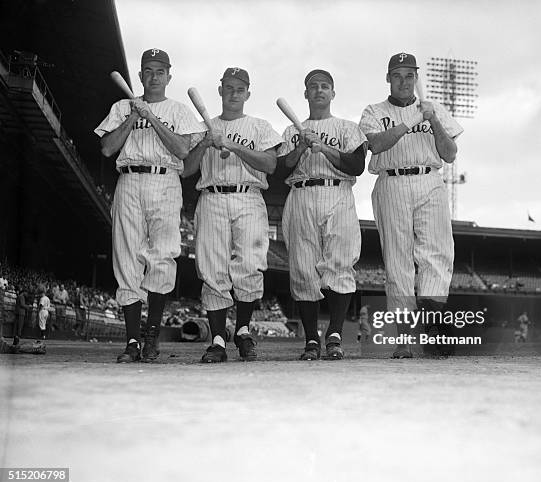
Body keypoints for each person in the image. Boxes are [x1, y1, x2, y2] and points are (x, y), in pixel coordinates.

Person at [94, 48, 202, 363]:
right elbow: (107, 148)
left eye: (159, 71)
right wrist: (133, 115)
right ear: (140, 76)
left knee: (163, 256)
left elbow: (183, 150)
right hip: (128, 180)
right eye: (148, 71)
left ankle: (151, 335)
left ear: (169, 76)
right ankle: (131, 341)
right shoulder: (122, 106)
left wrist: (152, 117)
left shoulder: (179, 110)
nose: (153, 77)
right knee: (126, 257)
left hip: (165, 181)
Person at [359, 53, 463, 358]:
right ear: (388, 78)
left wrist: (432, 119)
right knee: (398, 262)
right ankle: (404, 338)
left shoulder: (434, 109)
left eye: (409, 75)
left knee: (438, 253)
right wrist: (413, 120)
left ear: (416, 78)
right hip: (391, 182)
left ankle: (431, 323)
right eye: (398, 75)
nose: (404, 81)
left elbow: (450, 153)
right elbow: (375, 145)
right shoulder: (374, 111)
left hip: (429, 179)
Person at [183, 67, 283, 363]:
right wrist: (206, 141)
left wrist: (232, 144)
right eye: (229, 87)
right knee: (212, 268)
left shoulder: (259, 126)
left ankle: (242, 331)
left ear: (248, 93)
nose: (234, 93)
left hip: (249, 197)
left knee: (251, 264)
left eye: (240, 89)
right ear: (220, 90)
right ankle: (216, 340)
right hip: (211, 197)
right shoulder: (204, 127)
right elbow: (187, 169)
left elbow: (270, 164)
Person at [277, 69, 367, 361]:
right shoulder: (292, 131)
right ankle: (312, 339)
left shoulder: (347, 127)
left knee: (340, 263)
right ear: (305, 94)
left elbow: (356, 166)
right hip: (301, 194)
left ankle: (335, 333)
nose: (318, 91)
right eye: (313, 86)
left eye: (324, 86)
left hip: (337, 193)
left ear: (332, 93)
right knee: (303, 268)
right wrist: (302, 146)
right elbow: (281, 172)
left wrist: (324, 148)